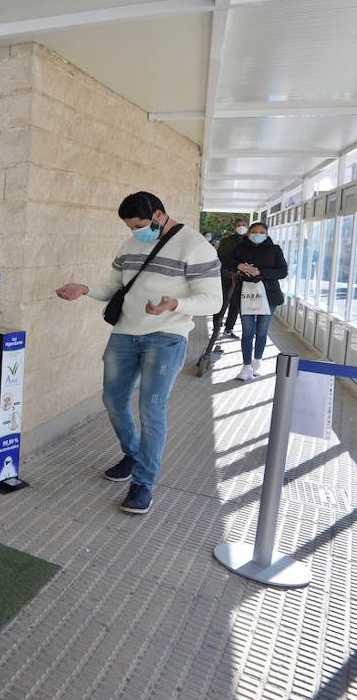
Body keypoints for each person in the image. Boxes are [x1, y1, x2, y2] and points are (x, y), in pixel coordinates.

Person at [55, 192, 221, 514]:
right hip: (125, 334)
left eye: (141, 225)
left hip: (167, 337)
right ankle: (133, 453)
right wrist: (85, 290)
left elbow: (212, 301)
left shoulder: (195, 246)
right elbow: (114, 288)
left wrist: (176, 305)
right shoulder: (129, 245)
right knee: (113, 400)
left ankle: (143, 483)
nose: (136, 232)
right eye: (131, 227)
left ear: (159, 215)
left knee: (151, 409)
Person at [232, 222, 287, 382]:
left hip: (269, 296)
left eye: (261, 232)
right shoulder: (240, 248)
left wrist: (261, 272)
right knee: (247, 332)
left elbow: (283, 271)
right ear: (248, 233)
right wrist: (238, 265)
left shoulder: (275, 249)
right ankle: (246, 365)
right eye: (254, 231)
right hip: (245, 296)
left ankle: (257, 361)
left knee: (262, 331)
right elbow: (225, 263)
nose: (258, 234)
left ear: (267, 233)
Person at [214, 218, 249, 338]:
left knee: (235, 304)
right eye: (239, 225)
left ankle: (229, 329)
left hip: (242, 278)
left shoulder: (250, 241)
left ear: (248, 227)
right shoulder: (226, 241)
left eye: (244, 225)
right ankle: (216, 328)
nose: (241, 227)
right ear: (234, 227)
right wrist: (236, 265)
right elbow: (221, 258)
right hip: (226, 275)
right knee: (221, 302)